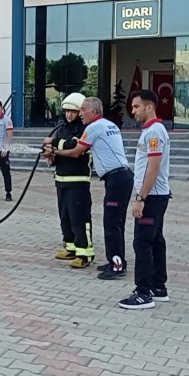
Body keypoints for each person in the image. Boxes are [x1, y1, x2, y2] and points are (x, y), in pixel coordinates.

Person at [47, 97, 132, 280]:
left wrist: (54, 150)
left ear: (93, 111)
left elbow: (76, 151)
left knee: (112, 225)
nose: (81, 114)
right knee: (113, 223)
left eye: (83, 110)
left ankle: (117, 266)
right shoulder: (109, 125)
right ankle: (114, 262)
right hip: (118, 177)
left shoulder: (92, 128)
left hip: (116, 178)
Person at [118, 90, 171, 310]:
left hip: (153, 196)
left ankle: (143, 292)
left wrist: (141, 198)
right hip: (155, 195)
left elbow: (154, 167)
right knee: (156, 240)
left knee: (143, 242)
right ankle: (158, 287)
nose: (133, 111)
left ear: (149, 107)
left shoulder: (155, 131)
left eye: (137, 106)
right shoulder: (150, 131)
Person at [43, 92, 94, 268]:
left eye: (73, 112)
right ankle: (71, 246)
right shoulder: (62, 128)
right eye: (66, 111)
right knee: (65, 216)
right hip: (61, 179)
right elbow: (57, 148)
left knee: (79, 217)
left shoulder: (84, 129)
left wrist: (54, 142)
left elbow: (73, 146)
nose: (69, 115)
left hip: (78, 180)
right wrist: (50, 155)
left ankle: (84, 253)